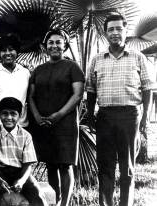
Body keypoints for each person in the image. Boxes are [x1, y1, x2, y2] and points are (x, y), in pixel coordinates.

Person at [86, 13, 153, 206]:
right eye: (110, 30)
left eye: (118, 29)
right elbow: (90, 89)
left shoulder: (138, 57)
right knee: (105, 168)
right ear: (105, 33)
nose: (115, 33)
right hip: (105, 117)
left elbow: (148, 88)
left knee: (127, 168)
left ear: (125, 31)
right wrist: (90, 115)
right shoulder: (97, 59)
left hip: (129, 116)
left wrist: (145, 119)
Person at [28, 29, 85, 206]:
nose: (54, 45)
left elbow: (77, 95)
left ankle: (64, 204)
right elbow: (30, 96)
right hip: (44, 124)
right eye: (50, 42)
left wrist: (59, 115)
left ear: (65, 45)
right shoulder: (38, 70)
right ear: (45, 47)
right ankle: (55, 199)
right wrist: (37, 116)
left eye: (58, 42)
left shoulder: (72, 67)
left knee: (65, 164)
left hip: (65, 123)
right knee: (51, 163)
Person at [0, 97, 47, 206]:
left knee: (38, 196)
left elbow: (28, 165)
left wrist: (21, 181)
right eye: (5, 113)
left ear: (20, 115)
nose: (9, 117)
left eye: (13, 114)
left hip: (20, 172)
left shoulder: (26, 136)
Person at [0, 34, 30, 130]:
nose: (8, 53)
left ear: (17, 51)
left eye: (11, 49)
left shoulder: (25, 72)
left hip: (21, 125)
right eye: (4, 50)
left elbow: (29, 99)